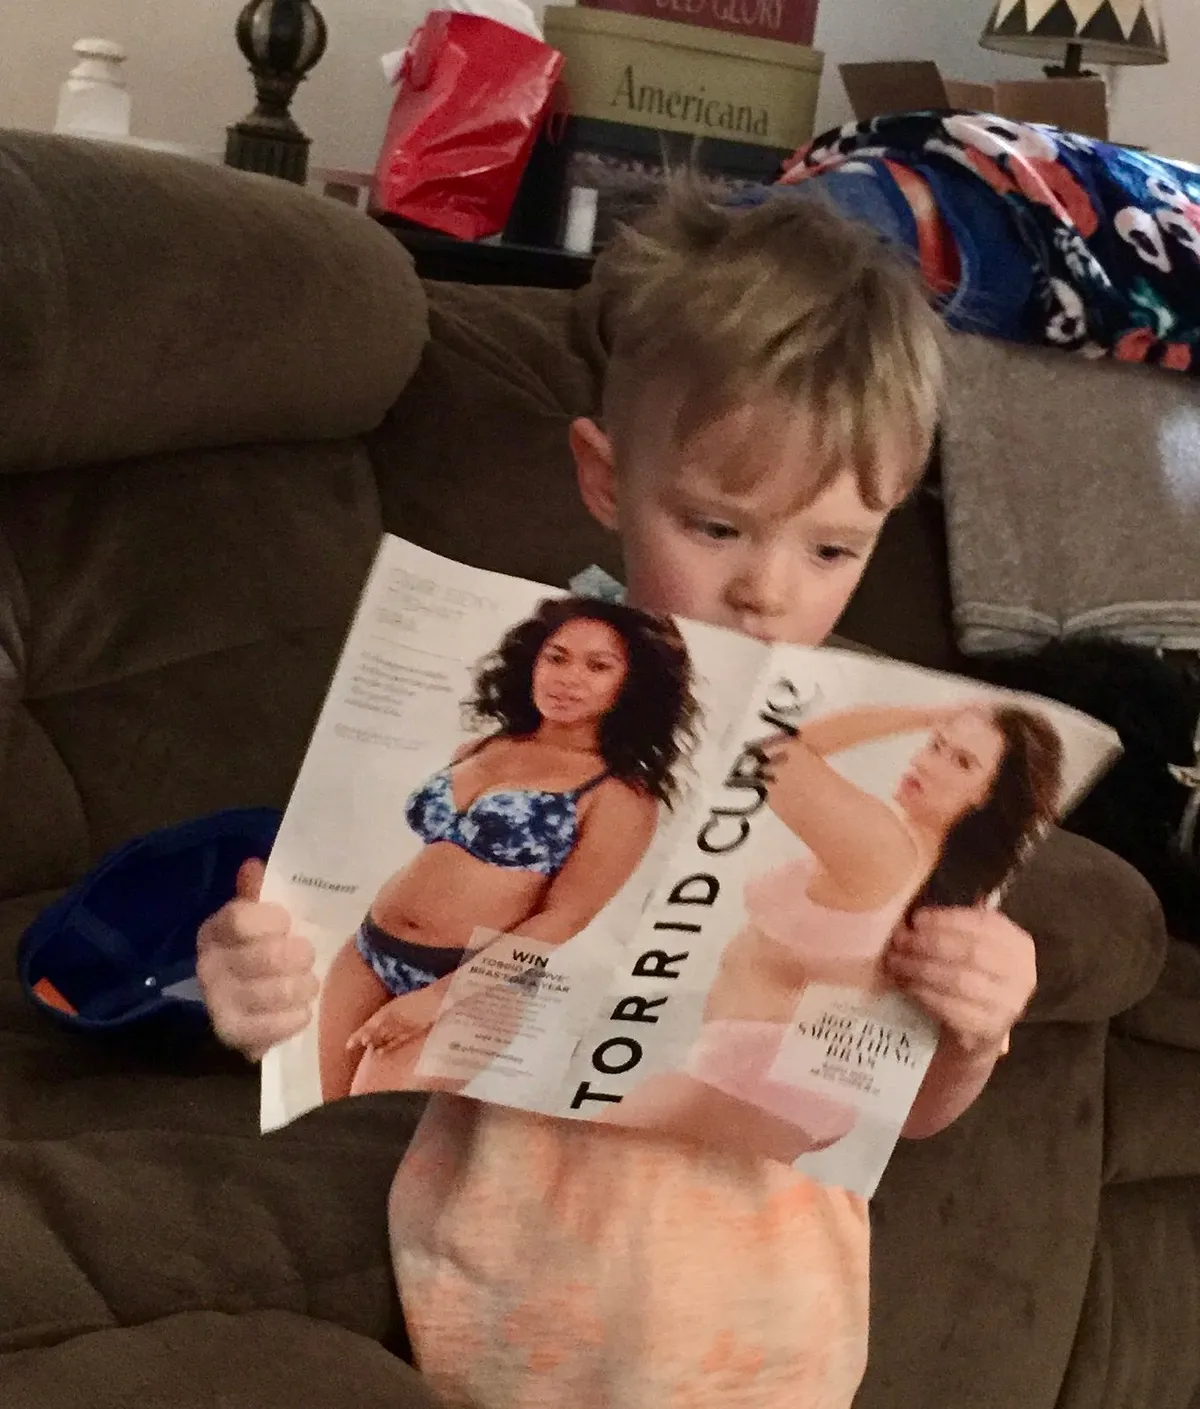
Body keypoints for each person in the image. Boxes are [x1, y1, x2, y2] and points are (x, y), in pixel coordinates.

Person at [196, 180, 1043, 1409]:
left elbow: (902, 1109)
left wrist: (973, 1021)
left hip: (773, 1343)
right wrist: (260, 979)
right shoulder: (523, 689)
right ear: (605, 475)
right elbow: (337, 949)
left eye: (831, 547)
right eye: (716, 525)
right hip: (494, 1312)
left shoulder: (883, 780)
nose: (768, 590)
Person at [605, 702, 1064, 1162]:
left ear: (990, 796)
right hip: (781, 1100)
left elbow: (773, 758)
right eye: (935, 745)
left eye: (961, 762)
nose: (927, 763)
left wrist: (921, 714)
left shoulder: (885, 848)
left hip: (740, 1088)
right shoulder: (946, 883)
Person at [317, 596, 698, 1100]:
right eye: (556, 657)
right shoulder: (484, 746)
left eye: (598, 666)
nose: (568, 678)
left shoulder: (618, 794)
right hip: (369, 950)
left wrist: (437, 999)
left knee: (369, 1126)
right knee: (324, 1118)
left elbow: (563, 919)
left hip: (479, 986)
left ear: (632, 685)